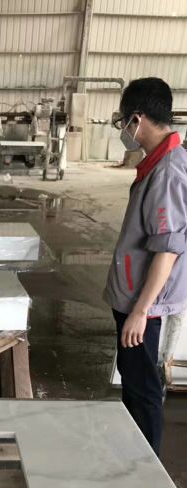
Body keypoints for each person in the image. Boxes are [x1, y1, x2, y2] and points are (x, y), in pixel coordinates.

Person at [104, 77, 187, 455]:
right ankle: (133, 453)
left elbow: (167, 250)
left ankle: (146, 469)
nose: (123, 129)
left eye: (123, 121)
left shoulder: (168, 172)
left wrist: (141, 311)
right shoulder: (157, 163)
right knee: (134, 378)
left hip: (143, 302)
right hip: (134, 295)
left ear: (137, 119)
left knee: (142, 388)